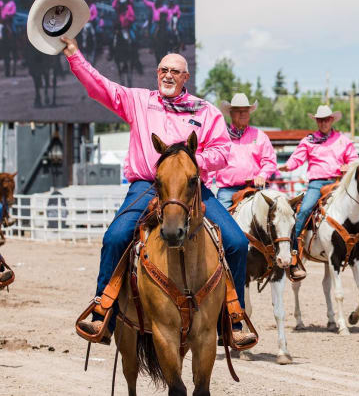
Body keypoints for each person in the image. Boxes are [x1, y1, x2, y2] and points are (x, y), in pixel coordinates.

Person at [60, 36, 256, 347]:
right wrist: (73, 55)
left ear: (185, 78)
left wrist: (191, 164)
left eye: (175, 71)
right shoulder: (138, 100)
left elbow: (222, 151)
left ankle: (233, 317)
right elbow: (99, 86)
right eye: (163, 70)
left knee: (236, 242)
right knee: (115, 236)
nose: (167, 75)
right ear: (157, 73)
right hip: (147, 185)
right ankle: (103, 310)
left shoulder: (205, 111)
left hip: (191, 188)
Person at [279, 105, 359, 280]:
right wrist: (288, 165)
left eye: (326, 119)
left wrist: (349, 166)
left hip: (338, 182)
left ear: (332, 120)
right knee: (304, 210)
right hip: (317, 183)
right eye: (320, 120)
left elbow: (355, 160)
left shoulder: (343, 140)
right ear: (316, 121)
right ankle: (293, 249)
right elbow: (297, 158)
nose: (323, 122)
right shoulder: (309, 140)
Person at [212, 93, 277, 208]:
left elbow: (269, 161)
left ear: (249, 114)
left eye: (245, 111)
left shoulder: (260, 136)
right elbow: (212, 160)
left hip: (256, 188)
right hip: (228, 191)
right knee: (222, 222)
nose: (242, 114)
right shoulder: (221, 136)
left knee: (276, 215)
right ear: (231, 113)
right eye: (238, 111)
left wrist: (262, 175)